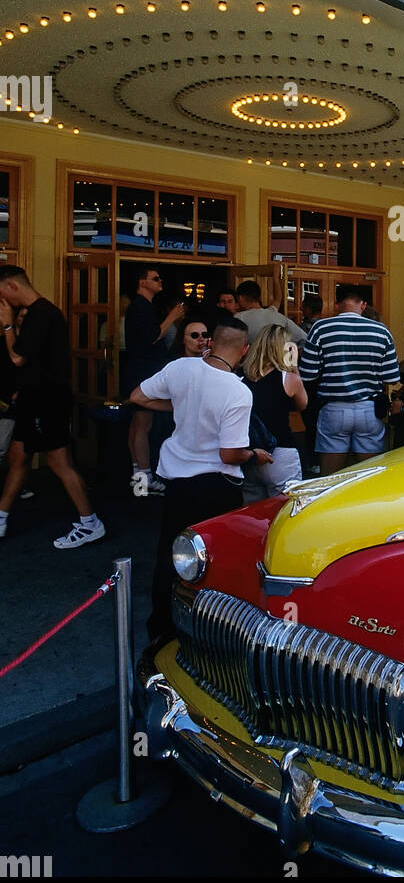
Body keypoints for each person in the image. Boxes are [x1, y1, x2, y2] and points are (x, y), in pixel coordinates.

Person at [129, 319, 269, 642]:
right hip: (216, 487)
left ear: (212, 342)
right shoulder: (238, 391)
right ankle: (207, 630)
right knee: (213, 561)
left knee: (170, 553)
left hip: (178, 482)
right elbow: (230, 454)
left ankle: (161, 626)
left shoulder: (181, 369)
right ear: (244, 350)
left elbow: (138, 396)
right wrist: (254, 455)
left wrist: (179, 405)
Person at [0, 267, 104, 548]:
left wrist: (8, 324)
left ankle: (90, 523)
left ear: (11, 286)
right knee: (18, 456)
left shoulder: (42, 314)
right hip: (34, 398)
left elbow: (17, 358)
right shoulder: (38, 313)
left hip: (47, 400)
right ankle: (1, 518)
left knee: (58, 461)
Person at [298, 284, 400, 474]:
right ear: (363, 305)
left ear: (337, 305)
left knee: (330, 476)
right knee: (368, 474)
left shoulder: (321, 328)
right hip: (369, 410)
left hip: (333, 409)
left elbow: (307, 374)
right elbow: (392, 377)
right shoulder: (381, 331)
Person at [122, 266, 184, 494]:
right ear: (142, 282)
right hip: (143, 371)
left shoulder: (142, 307)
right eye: (155, 278)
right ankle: (145, 477)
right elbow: (151, 337)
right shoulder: (140, 307)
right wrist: (172, 317)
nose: (160, 281)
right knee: (143, 424)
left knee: (137, 424)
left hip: (139, 369)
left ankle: (139, 474)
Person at [241, 324, 308, 496]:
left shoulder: (242, 377)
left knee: (253, 513)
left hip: (250, 452)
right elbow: (302, 405)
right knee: (284, 509)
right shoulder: (289, 379)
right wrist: (293, 367)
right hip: (281, 451)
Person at [234, 278, 306, 347]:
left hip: (251, 359)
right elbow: (304, 339)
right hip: (278, 358)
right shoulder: (277, 316)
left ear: (240, 298)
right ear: (259, 296)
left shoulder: (239, 318)